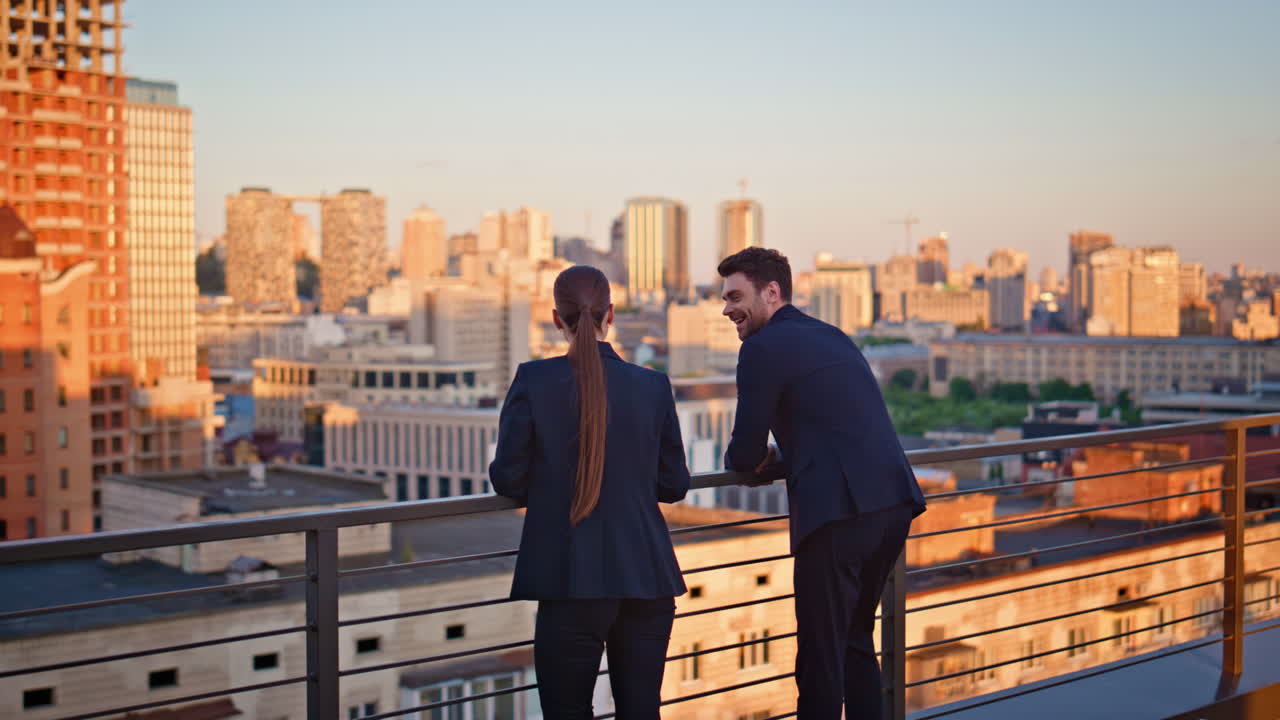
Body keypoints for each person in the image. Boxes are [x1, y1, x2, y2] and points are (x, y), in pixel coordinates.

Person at [717, 248, 926, 720]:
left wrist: (767, 459)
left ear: (772, 292)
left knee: (819, 657)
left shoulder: (761, 348)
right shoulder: (832, 336)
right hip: (892, 504)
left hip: (838, 515)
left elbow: (745, 454)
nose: (726, 308)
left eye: (735, 296)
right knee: (855, 640)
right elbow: (837, 421)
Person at [489, 265, 691, 720]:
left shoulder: (533, 381)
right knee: (642, 712)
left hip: (570, 579)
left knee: (567, 712)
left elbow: (508, 479)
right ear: (611, 315)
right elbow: (674, 484)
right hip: (646, 576)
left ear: (556, 319)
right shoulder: (651, 385)